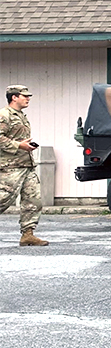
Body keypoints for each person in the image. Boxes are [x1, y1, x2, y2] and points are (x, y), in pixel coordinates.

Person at [0, 85, 48, 246]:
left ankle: (28, 234)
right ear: (14, 97)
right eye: (24, 96)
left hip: (26, 165)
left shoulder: (21, 115)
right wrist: (19, 146)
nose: (28, 98)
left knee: (33, 200)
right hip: (11, 166)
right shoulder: (4, 115)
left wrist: (26, 147)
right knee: (3, 199)